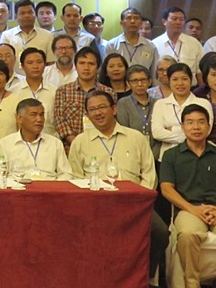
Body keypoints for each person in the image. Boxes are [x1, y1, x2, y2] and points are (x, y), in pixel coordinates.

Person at [67, 91, 167, 280]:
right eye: (92, 109)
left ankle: (144, 277)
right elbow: (76, 177)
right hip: (96, 204)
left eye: (102, 107)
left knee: (160, 232)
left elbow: (149, 173)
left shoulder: (135, 137)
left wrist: (141, 200)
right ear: (87, 115)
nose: (98, 113)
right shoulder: (80, 142)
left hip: (135, 203)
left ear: (114, 109)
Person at [160, 104, 216, 288]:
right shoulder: (171, 155)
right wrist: (193, 209)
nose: (196, 127)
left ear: (209, 127)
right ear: (183, 126)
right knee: (188, 235)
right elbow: (167, 189)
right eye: (190, 122)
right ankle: (191, 283)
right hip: (189, 209)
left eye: (201, 122)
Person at [0, 98, 72, 180]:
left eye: (41, 115)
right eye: (33, 115)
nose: (39, 119)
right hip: (18, 189)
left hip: (49, 189)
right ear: (19, 118)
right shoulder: (5, 144)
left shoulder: (55, 143)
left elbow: (66, 174)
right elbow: (0, 176)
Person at [151, 63, 213, 161]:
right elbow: (157, 133)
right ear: (169, 81)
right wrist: (190, 135)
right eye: (175, 79)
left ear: (191, 80)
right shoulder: (160, 104)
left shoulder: (203, 103)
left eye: (184, 79)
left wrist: (172, 129)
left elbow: (206, 131)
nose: (180, 83)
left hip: (198, 157)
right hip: (167, 159)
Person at [54, 47, 113, 146]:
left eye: (91, 64)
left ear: (98, 67)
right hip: (71, 148)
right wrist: (78, 144)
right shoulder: (63, 91)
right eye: (82, 63)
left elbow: (111, 121)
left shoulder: (108, 92)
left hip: (102, 146)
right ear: (75, 66)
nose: (86, 68)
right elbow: (60, 121)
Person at [115, 65, 160, 159]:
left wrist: (152, 154)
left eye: (143, 80)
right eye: (135, 81)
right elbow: (123, 131)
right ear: (128, 84)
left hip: (156, 153)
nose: (139, 84)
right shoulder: (123, 103)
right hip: (131, 153)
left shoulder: (158, 103)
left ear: (149, 82)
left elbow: (161, 132)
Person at [11, 47, 57, 136]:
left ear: (45, 65)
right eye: (30, 63)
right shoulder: (13, 92)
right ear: (22, 66)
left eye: (39, 62)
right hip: (21, 143)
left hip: (49, 142)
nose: (35, 66)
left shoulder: (55, 92)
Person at [152, 7, 205, 85]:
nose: (178, 22)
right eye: (174, 19)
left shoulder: (194, 43)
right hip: (162, 90)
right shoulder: (154, 44)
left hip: (190, 89)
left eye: (181, 19)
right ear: (164, 21)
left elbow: (199, 72)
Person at [0, 0, 56, 72]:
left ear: (35, 15)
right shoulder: (7, 35)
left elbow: (50, 63)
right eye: (22, 13)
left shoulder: (48, 35)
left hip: (40, 80)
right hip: (14, 80)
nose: (26, 16)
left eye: (30, 12)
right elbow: (3, 62)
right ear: (16, 16)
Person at [105, 8, 158, 75]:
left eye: (136, 18)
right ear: (121, 23)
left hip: (143, 84)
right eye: (129, 18)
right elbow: (106, 70)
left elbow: (154, 72)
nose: (133, 21)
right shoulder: (112, 45)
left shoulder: (150, 46)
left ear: (140, 23)